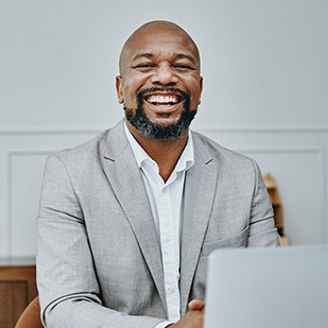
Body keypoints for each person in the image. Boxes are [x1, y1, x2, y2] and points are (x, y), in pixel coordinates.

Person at [36, 20, 279, 328]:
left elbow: (267, 291)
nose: (165, 77)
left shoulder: (243, 175)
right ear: (119, 89)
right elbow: (64, 307)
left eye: (182, 66)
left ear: (200, 89)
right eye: (145, 65)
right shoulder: (69, 173)